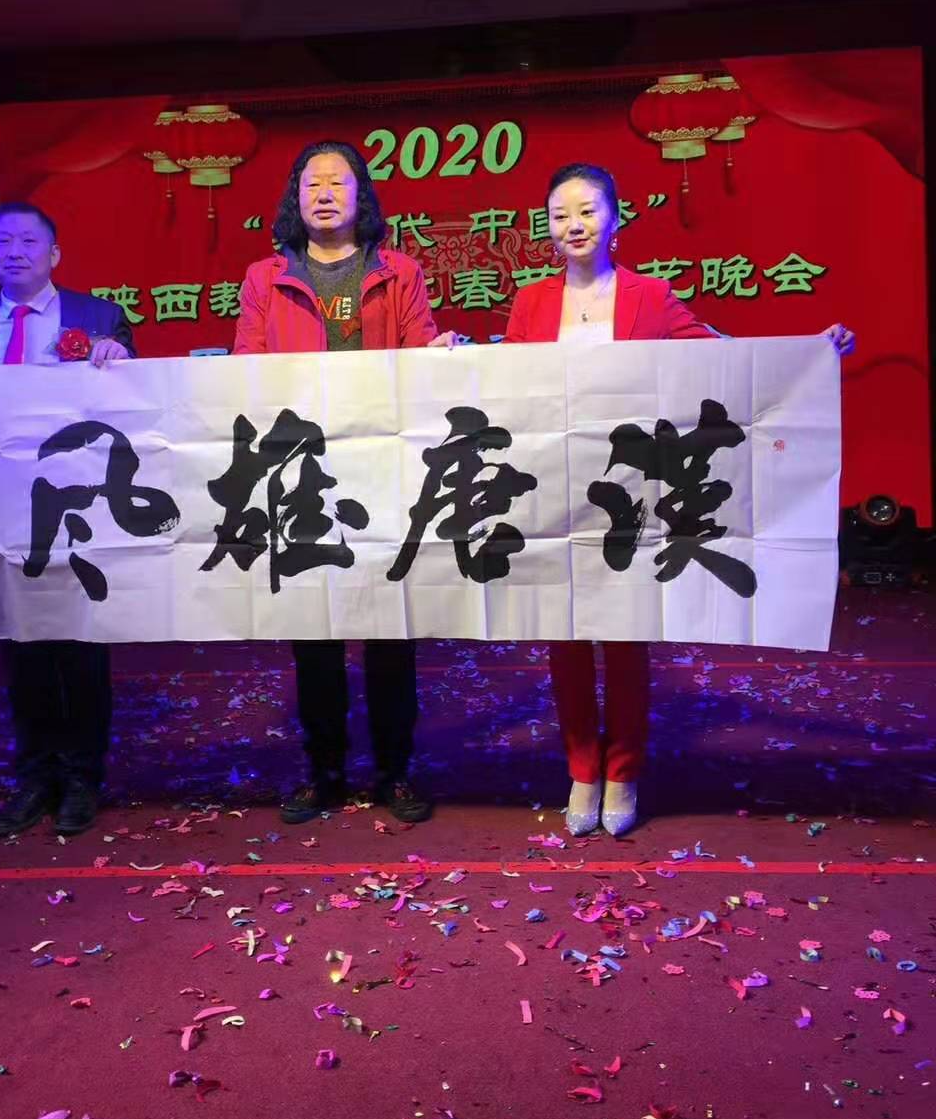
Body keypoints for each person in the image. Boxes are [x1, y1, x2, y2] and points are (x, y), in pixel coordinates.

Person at [506, 163, 855, 837]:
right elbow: (503, 379)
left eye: (587, 211)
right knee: (565, 636)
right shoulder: (530, 303)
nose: (573, 225)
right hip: (557, 488)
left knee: (626, 635)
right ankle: (581, 770)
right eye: (559, 215)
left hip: (633, 493)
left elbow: (721, 358)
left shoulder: (650, 296)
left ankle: (623, 770)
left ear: (615, 218)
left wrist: (807, 354)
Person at [233, 141, 456, 825]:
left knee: (391, 631)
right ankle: (324, 771)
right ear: (294, 198)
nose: (325, 193)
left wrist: (438, 355)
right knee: (315, 634)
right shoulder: (266, 277)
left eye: (338, 182)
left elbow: (418, 356)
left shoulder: (399, 272)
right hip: (300, 474)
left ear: (361, 195)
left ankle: (395, 770)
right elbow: (245, 366)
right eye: (312, 184)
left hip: (382, 470)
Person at [0, 202, 135, 837]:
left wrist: (118, 357)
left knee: (80, 642)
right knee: (21, 643)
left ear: (54, 254)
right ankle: (34, 776)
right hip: (1, 505)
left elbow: (138, 403)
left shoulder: (99, 318)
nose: (15, 251)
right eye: (2, 242)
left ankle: (83, 776)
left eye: (29, 241)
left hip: (77, 504)